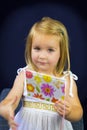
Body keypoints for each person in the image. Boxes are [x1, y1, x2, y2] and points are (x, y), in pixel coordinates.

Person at [0, 17, 83, 130]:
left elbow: (78, 111)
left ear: (61, 53)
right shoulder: (25, 75)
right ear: (30, 48)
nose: (42, 56)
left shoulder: (66, 79)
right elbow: (11, 99)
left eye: (50, 50)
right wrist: (6, 107)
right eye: (37, 48)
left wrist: (69, 112)